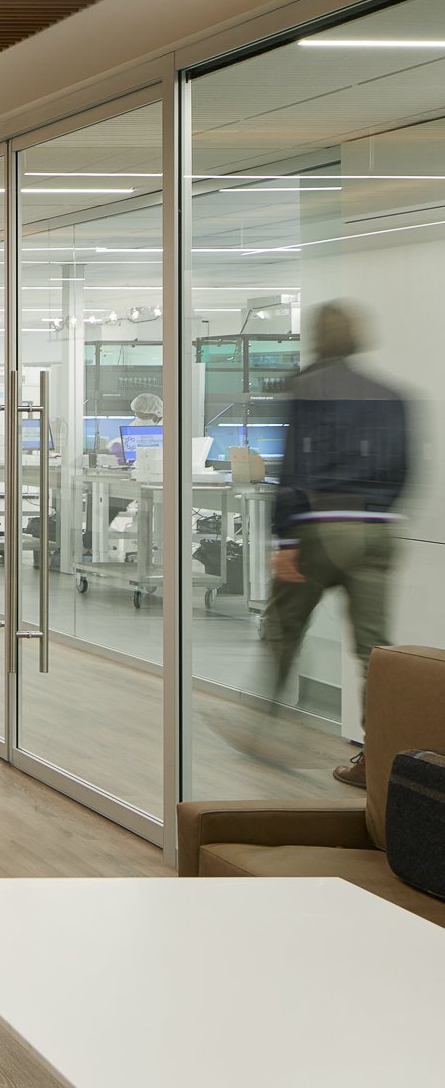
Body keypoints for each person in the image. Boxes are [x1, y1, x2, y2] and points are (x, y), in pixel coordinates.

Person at [263, 301, 411, 789]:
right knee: (375, 652)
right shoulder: (390, 394)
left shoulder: (307, 388)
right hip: (377, 529)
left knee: (283, 626)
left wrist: (286, 536)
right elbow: (403, 467)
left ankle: (264, 724)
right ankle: (378, 759)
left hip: (320, 528)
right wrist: (377, 510)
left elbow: (293, 467)